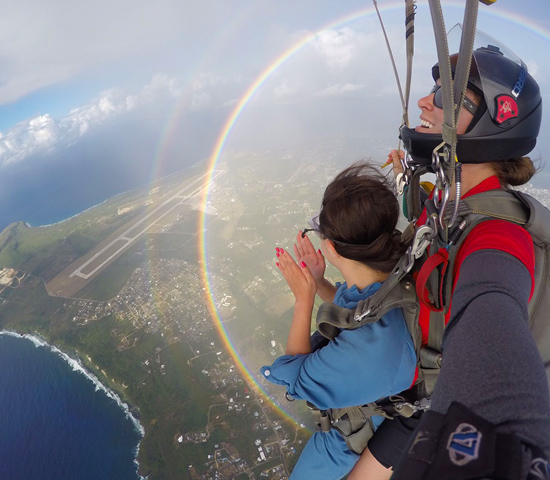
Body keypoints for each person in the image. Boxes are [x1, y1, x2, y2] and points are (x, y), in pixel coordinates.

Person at [348, 40, 550, 479]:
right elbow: (421, 221)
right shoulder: (450, 200)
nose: (424, 101)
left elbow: (491, 310)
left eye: (443, 98)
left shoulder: (498, 235)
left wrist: (505, 454)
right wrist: (406, 174)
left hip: (424, 407)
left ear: (489, 125)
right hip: (411, 382)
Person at [260, 162, 417, 480]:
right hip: (372, 418)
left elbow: (300, 380)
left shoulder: (370, 351)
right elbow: (359, 314)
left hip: (349, 442)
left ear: (329, 246)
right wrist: (319, 284)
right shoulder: (394, 280)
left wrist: (303, 300)